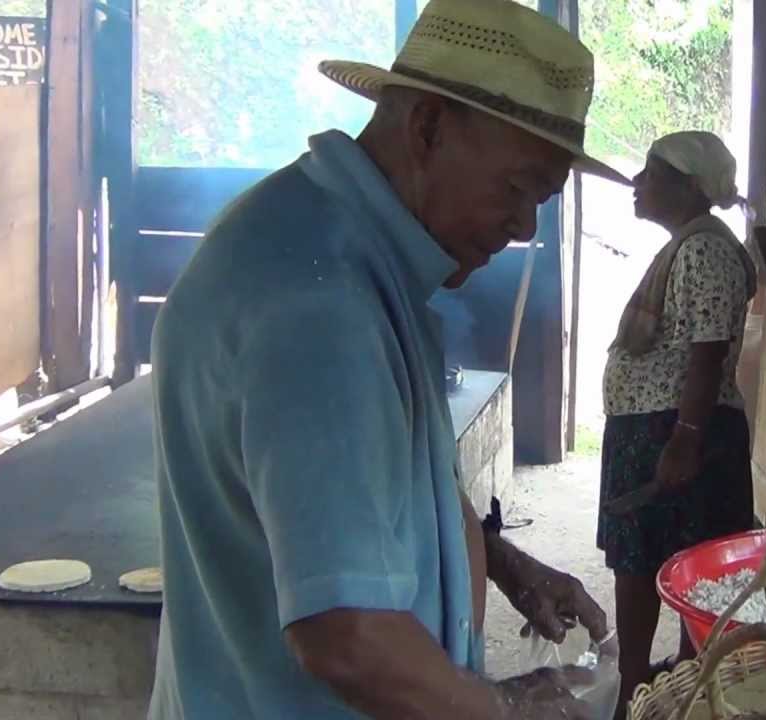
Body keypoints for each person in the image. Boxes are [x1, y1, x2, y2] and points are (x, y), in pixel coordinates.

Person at [146, 1, 630, 718]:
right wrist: (511, 712)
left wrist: (498, 559)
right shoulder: (324, 310)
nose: (527, 225)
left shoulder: (317, 234)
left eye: (544, 199)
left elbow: (360, 485)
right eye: (518, 188)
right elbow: (346, 637)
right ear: (427, 128)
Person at [597, 131, 758, 714]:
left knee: (678, 563)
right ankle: (643, 687)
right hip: (658, 427)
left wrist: (685, 441)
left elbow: (706, 352)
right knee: (640, 556)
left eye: (650, 173)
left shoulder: (706, 250)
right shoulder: (688, 246)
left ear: (689, 186)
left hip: (681, 430)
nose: (637, 183)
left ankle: (678, 689)